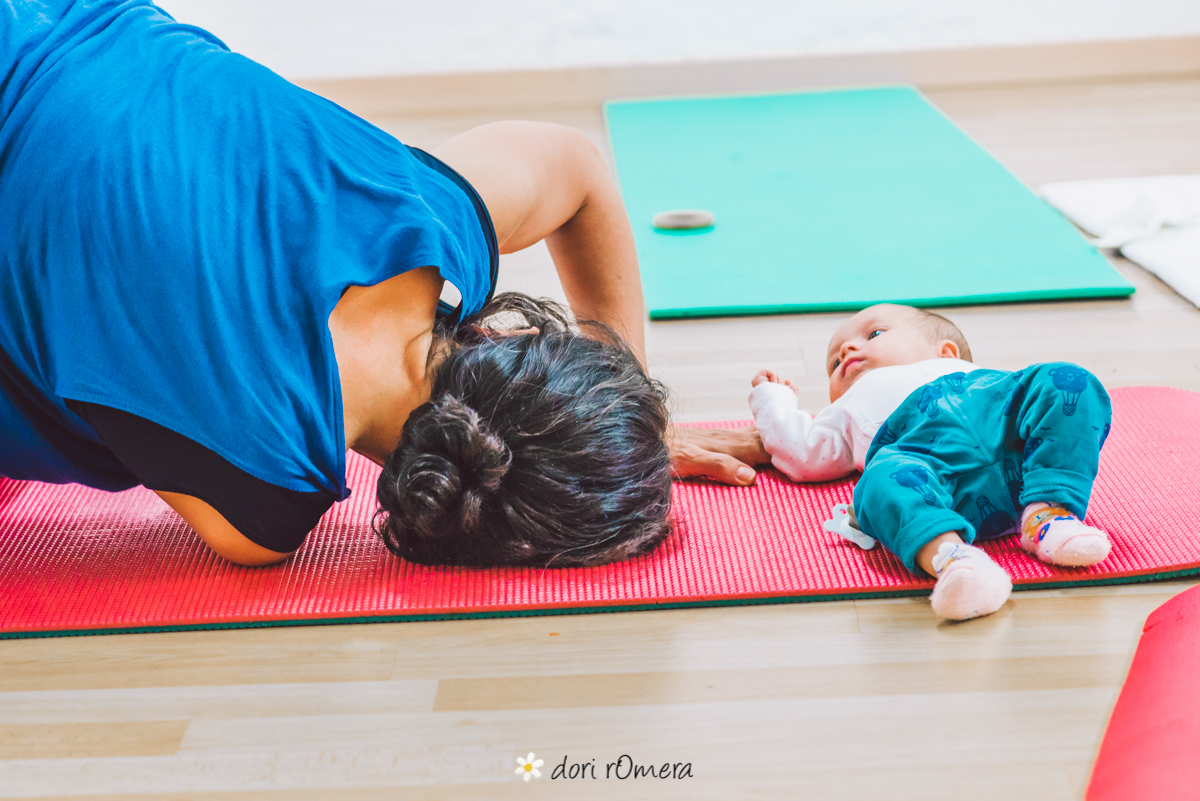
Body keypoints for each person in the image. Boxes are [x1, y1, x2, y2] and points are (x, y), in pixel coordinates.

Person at [0, 0, 766, 568]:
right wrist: (612, 432)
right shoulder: (255, 506)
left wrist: (621, 395)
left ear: (518, 341)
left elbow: (577, 169)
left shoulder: (426, 222)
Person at [749, 304, 1113, 620]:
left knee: (1067, 380)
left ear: (946, 352)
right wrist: (773, 399)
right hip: (926, 469)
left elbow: (1041, 407)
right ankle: (954, 559)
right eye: (834, 363)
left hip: (1005, 429)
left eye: (874, 333)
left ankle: (1048, 514)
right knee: (876, 484)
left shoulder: (977, 375)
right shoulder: (844, 408)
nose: (845, 350)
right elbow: (802, 453)